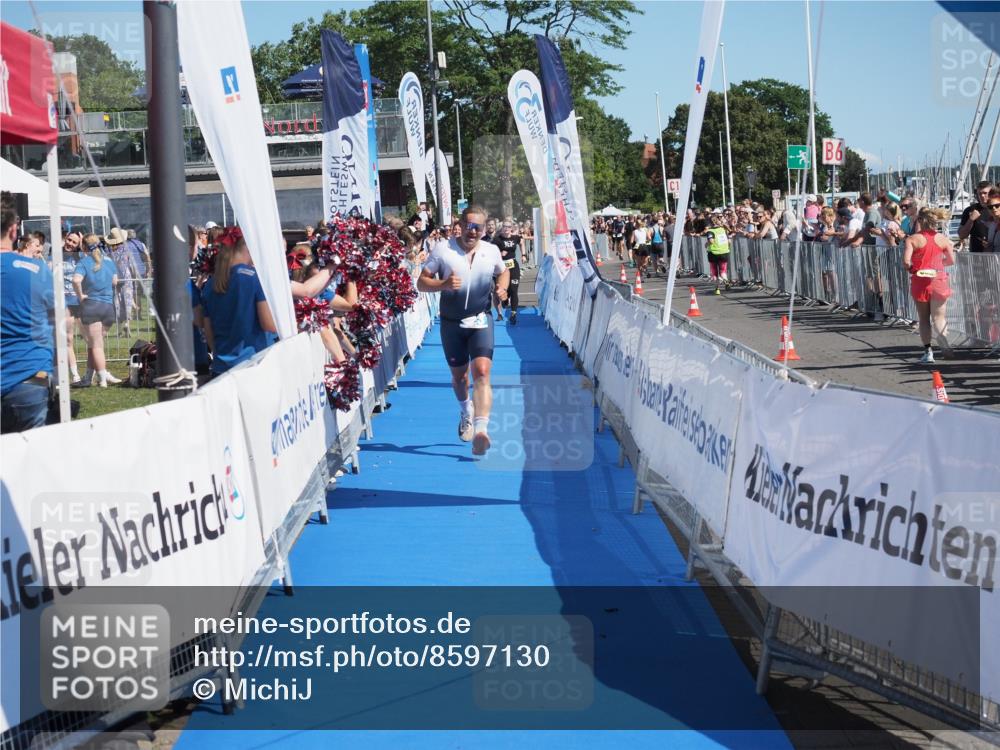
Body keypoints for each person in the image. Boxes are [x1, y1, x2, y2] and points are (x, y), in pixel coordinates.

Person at [417, 206, 509, 456]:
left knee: (482, 372)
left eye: (477, 227)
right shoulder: (443, 249)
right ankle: (466, 410)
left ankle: (481, 430)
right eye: (468, 226)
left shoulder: (491, 251)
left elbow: (504, 272)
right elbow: (421, 282)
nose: (472, 231)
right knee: (460, 378)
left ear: (484, 229)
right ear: (460, 225)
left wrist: (502, 288)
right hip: (451, 323)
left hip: (480, 319)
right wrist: (443, 284)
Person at [1, 195, 55, 432]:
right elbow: (61, 321)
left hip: (28, 377)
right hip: (30, 376)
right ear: (14, 231)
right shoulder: (37, 270)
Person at [198, 231, 278, 377]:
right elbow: (269, 325)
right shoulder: (254, 278)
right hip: (251, 367)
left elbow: (208, 331)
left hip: (221, 368)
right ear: (248, 247)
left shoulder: (210, 284)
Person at [904, 207, 955, 363]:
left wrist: (913, 269)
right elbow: (951, 260)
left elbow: (906, 262)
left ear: (919, 220)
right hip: (938, 279)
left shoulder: (912, 239)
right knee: (939, 317)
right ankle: (945, 345)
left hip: (920, 280)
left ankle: (928, 352)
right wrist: (939, 265)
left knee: (924, 318)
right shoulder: (943, 239)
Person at [72, 234, 120, 387]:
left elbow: (76, 280)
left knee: (96, 345)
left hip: (92, 306)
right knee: (94, 344)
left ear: (84, 247)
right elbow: (115, 281)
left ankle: (102, 379)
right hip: (108, 308)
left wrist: (80, 295)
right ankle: (88, 376)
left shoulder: (84, 262)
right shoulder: (109, 261)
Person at [57, 231, 84, 383]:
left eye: (74, 242)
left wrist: (82, 244)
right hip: (62, 301)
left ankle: (95, 372)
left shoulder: (79, 257)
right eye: (69, 240)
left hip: (77, 301)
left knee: (89, 339)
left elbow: (93, 259)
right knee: (66, 338)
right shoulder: (55, 254)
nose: (70, 244)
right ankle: (74, 374)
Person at [105, 228, 137, 338]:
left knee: (116, 302)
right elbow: (131, 264)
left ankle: (119, 330)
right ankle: (127, 324)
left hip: (113, 277)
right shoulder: (127, 248)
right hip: (126, 276)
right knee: (127, 300)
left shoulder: (108, 251)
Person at [493, 220, 522, 324]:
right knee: (504, 290)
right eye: (504, 226)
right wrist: (500, 253)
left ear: (511, 228)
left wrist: (523, 255)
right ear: (502, 228)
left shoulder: (515, 238)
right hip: (502, 268)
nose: (506, 228)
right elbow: (492, 252)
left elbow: (521, 241)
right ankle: (505, 300)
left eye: (508, 227)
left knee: (514, 289)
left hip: (513, 266)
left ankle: (513, 314)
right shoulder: (497, 239)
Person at [958, 181, 993, 252]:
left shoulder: (997, 208)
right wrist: (971, 220)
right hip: (977, 254)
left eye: (985, 193)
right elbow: (962, 235)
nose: (982, 196)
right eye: (980, 193)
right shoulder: (970, 210)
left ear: (992, 193)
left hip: (996, 253)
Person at [704, 215, 730, 294]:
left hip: (713, 253)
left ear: (710, 223)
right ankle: (726, 280)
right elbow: (729, 241)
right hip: (724, 252)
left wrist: (706, 244)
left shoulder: (710, 231)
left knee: (714, 272)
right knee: (723, 271)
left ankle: (717, 289)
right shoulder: (723, 229)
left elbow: (711, 241)